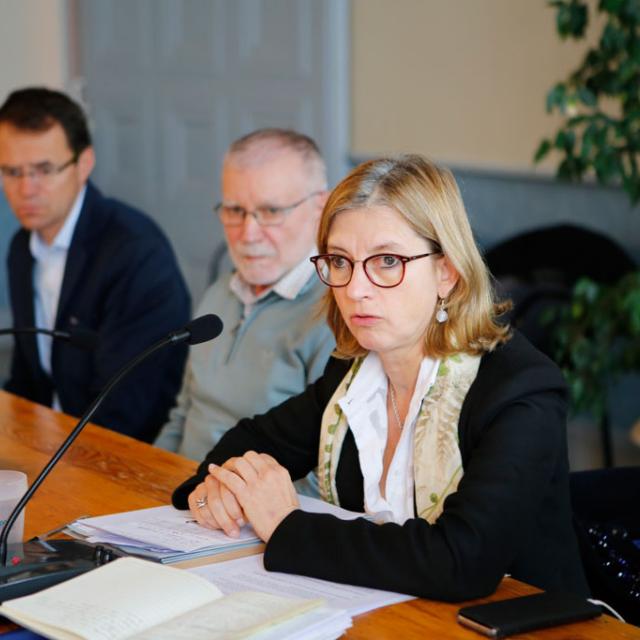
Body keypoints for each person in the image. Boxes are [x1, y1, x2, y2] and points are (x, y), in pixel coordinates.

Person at [172, 155, 589, 601]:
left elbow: (463, 562)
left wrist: (287, 526)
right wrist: (222, 489)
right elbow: (242, 444)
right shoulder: (355, 374)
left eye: (387, 260)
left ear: (446, 271)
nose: (355, 289)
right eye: (341, 261)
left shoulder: (520, 391)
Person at [0, 87, 190, 442]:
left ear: (84, 163)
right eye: (11, 172)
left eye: (44, 169)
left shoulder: (134, 251)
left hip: (124, 451)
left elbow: (125, 410)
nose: (26, 189)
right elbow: (26, 379)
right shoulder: (22, 247)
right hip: (48, 440)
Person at [155, 129, 335, 493]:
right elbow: (183, 415)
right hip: (178, 500)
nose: (248, 233)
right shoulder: (220, 292)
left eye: (270, 211)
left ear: (321, 206)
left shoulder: (336, 314)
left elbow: (325, 481)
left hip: (249, 522)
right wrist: (146, 486)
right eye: (235, 210)